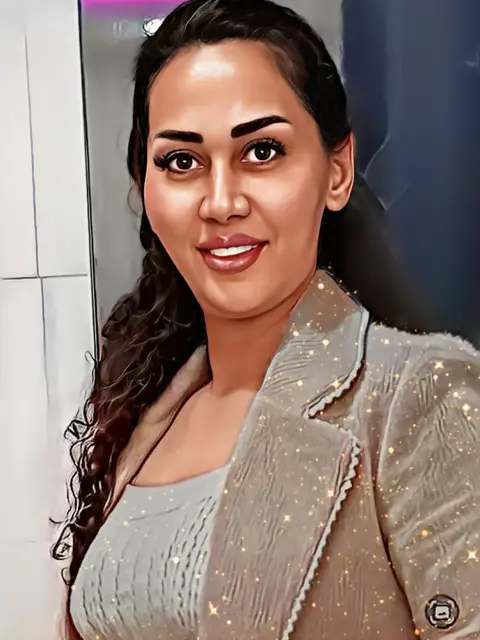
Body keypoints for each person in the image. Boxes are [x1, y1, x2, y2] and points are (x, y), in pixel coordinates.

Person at [54, 0, 480, 638]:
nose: (221, 202)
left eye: (261, 151)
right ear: (144, 187)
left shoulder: (418, 395)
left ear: (336, 172)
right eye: (181, 161)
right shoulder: (150, 410)